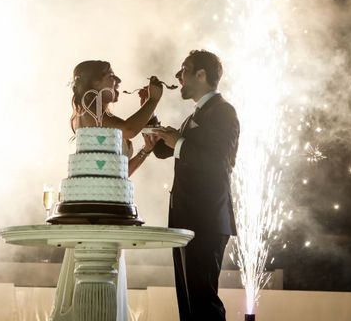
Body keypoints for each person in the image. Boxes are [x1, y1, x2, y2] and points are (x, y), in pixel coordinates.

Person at [66, 60, 163, 320]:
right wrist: (153, 101)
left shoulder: (103, 120)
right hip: (93, 211)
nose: (118, 80)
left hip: (110, 205)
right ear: (93, 84)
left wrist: (145, 151)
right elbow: (131, 129)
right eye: (110, 76)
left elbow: (118, 172)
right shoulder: (90, 105)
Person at [153, 50, 239, 321]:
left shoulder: (223, 112)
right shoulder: (195, 114)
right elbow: (169, 150)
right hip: (187, 220)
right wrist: (153, 123)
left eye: (184, 70)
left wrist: (177, 142)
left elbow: (217, 161)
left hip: (206, 219)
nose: (178, 76)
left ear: (201, 75)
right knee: (189, 303)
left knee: (203, 301)